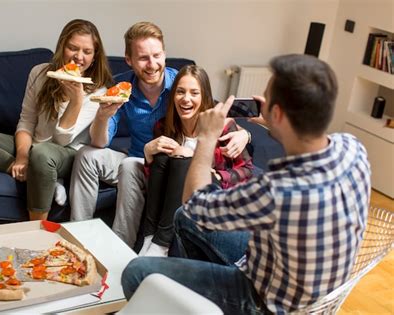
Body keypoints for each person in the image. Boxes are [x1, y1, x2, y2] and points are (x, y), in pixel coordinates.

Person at [121, 54, 371, 314]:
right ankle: (194, 303)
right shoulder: (352, 148)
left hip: (264, 301)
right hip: (307, 280)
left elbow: (197, 205)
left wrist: (207, 138)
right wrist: (272, 122)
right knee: (182, 218)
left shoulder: (279, 189)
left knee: (137, 272)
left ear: (278, 112)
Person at [69, 21, 250, 248]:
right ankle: (78, 235)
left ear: (164, 54)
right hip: (137, 159)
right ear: (129, 59)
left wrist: (245, 135)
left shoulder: (181, 85)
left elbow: (215, 112)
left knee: (129, 168)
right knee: (87, 154)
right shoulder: (121, 87)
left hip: (168, 167)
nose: (152, 64)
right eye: (143, 57)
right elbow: (99, 142)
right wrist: (103, 116)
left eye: (157, 55)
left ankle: (119, 246)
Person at [0, 19, 113, 221]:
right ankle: (41, 177)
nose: (79, 57)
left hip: (68, 153)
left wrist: (76, 100)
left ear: (95, 56)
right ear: (62, 46)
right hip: (36, 146)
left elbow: (62, 141)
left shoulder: (99, 91)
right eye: (73, 48)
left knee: (42, 153)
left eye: (87, 51)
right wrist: (22, 157)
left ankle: (36, 229)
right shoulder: (40, 73)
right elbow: (26, 122)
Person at [139, 65, 254, 257]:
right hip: (177, 190)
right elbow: (156, 178)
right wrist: (148, 156)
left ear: (204, 97)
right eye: (180, 92)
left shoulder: (222, 126)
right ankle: (149, 237)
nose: (186, 99)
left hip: (212, 188)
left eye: (194, 93)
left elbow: (248, 171)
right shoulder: (163, 126)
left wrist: (216, 173)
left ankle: (162, 243)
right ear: (173, 96)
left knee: (183, 158)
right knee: (162, 156)